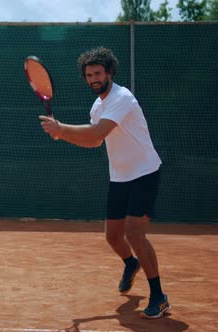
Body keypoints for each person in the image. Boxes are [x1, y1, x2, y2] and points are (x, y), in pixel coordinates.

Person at [39, 47, 170, 319]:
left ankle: (159, 296)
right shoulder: (98, 105)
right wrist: (62, 135)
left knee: (134, 234)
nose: (93, 78)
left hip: (144, 172)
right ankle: (130, 263)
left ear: (109, 72)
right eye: (89, 75)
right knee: (112, 237)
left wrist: (61, 129)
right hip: (120, 176)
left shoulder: (122, 97)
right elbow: (95, 141)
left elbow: (98, 131)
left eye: (98, 72)